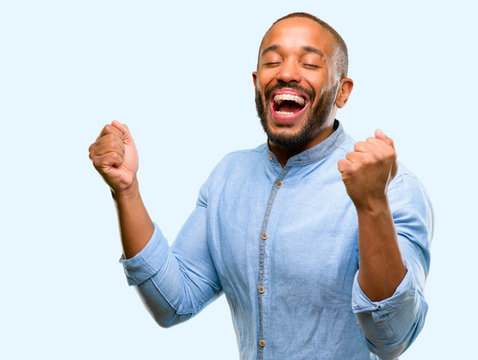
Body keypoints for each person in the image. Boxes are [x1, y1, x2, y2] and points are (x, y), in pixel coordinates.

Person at [88, 12, 433, 360]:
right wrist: (126, 191)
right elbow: (174, 302)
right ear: (257, 81)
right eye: (272, 61)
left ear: (342, 92)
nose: (286, 73)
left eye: (310, 63)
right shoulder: (228, 176)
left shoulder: (394, 188)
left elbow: (392, 338)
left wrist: (371, 203)